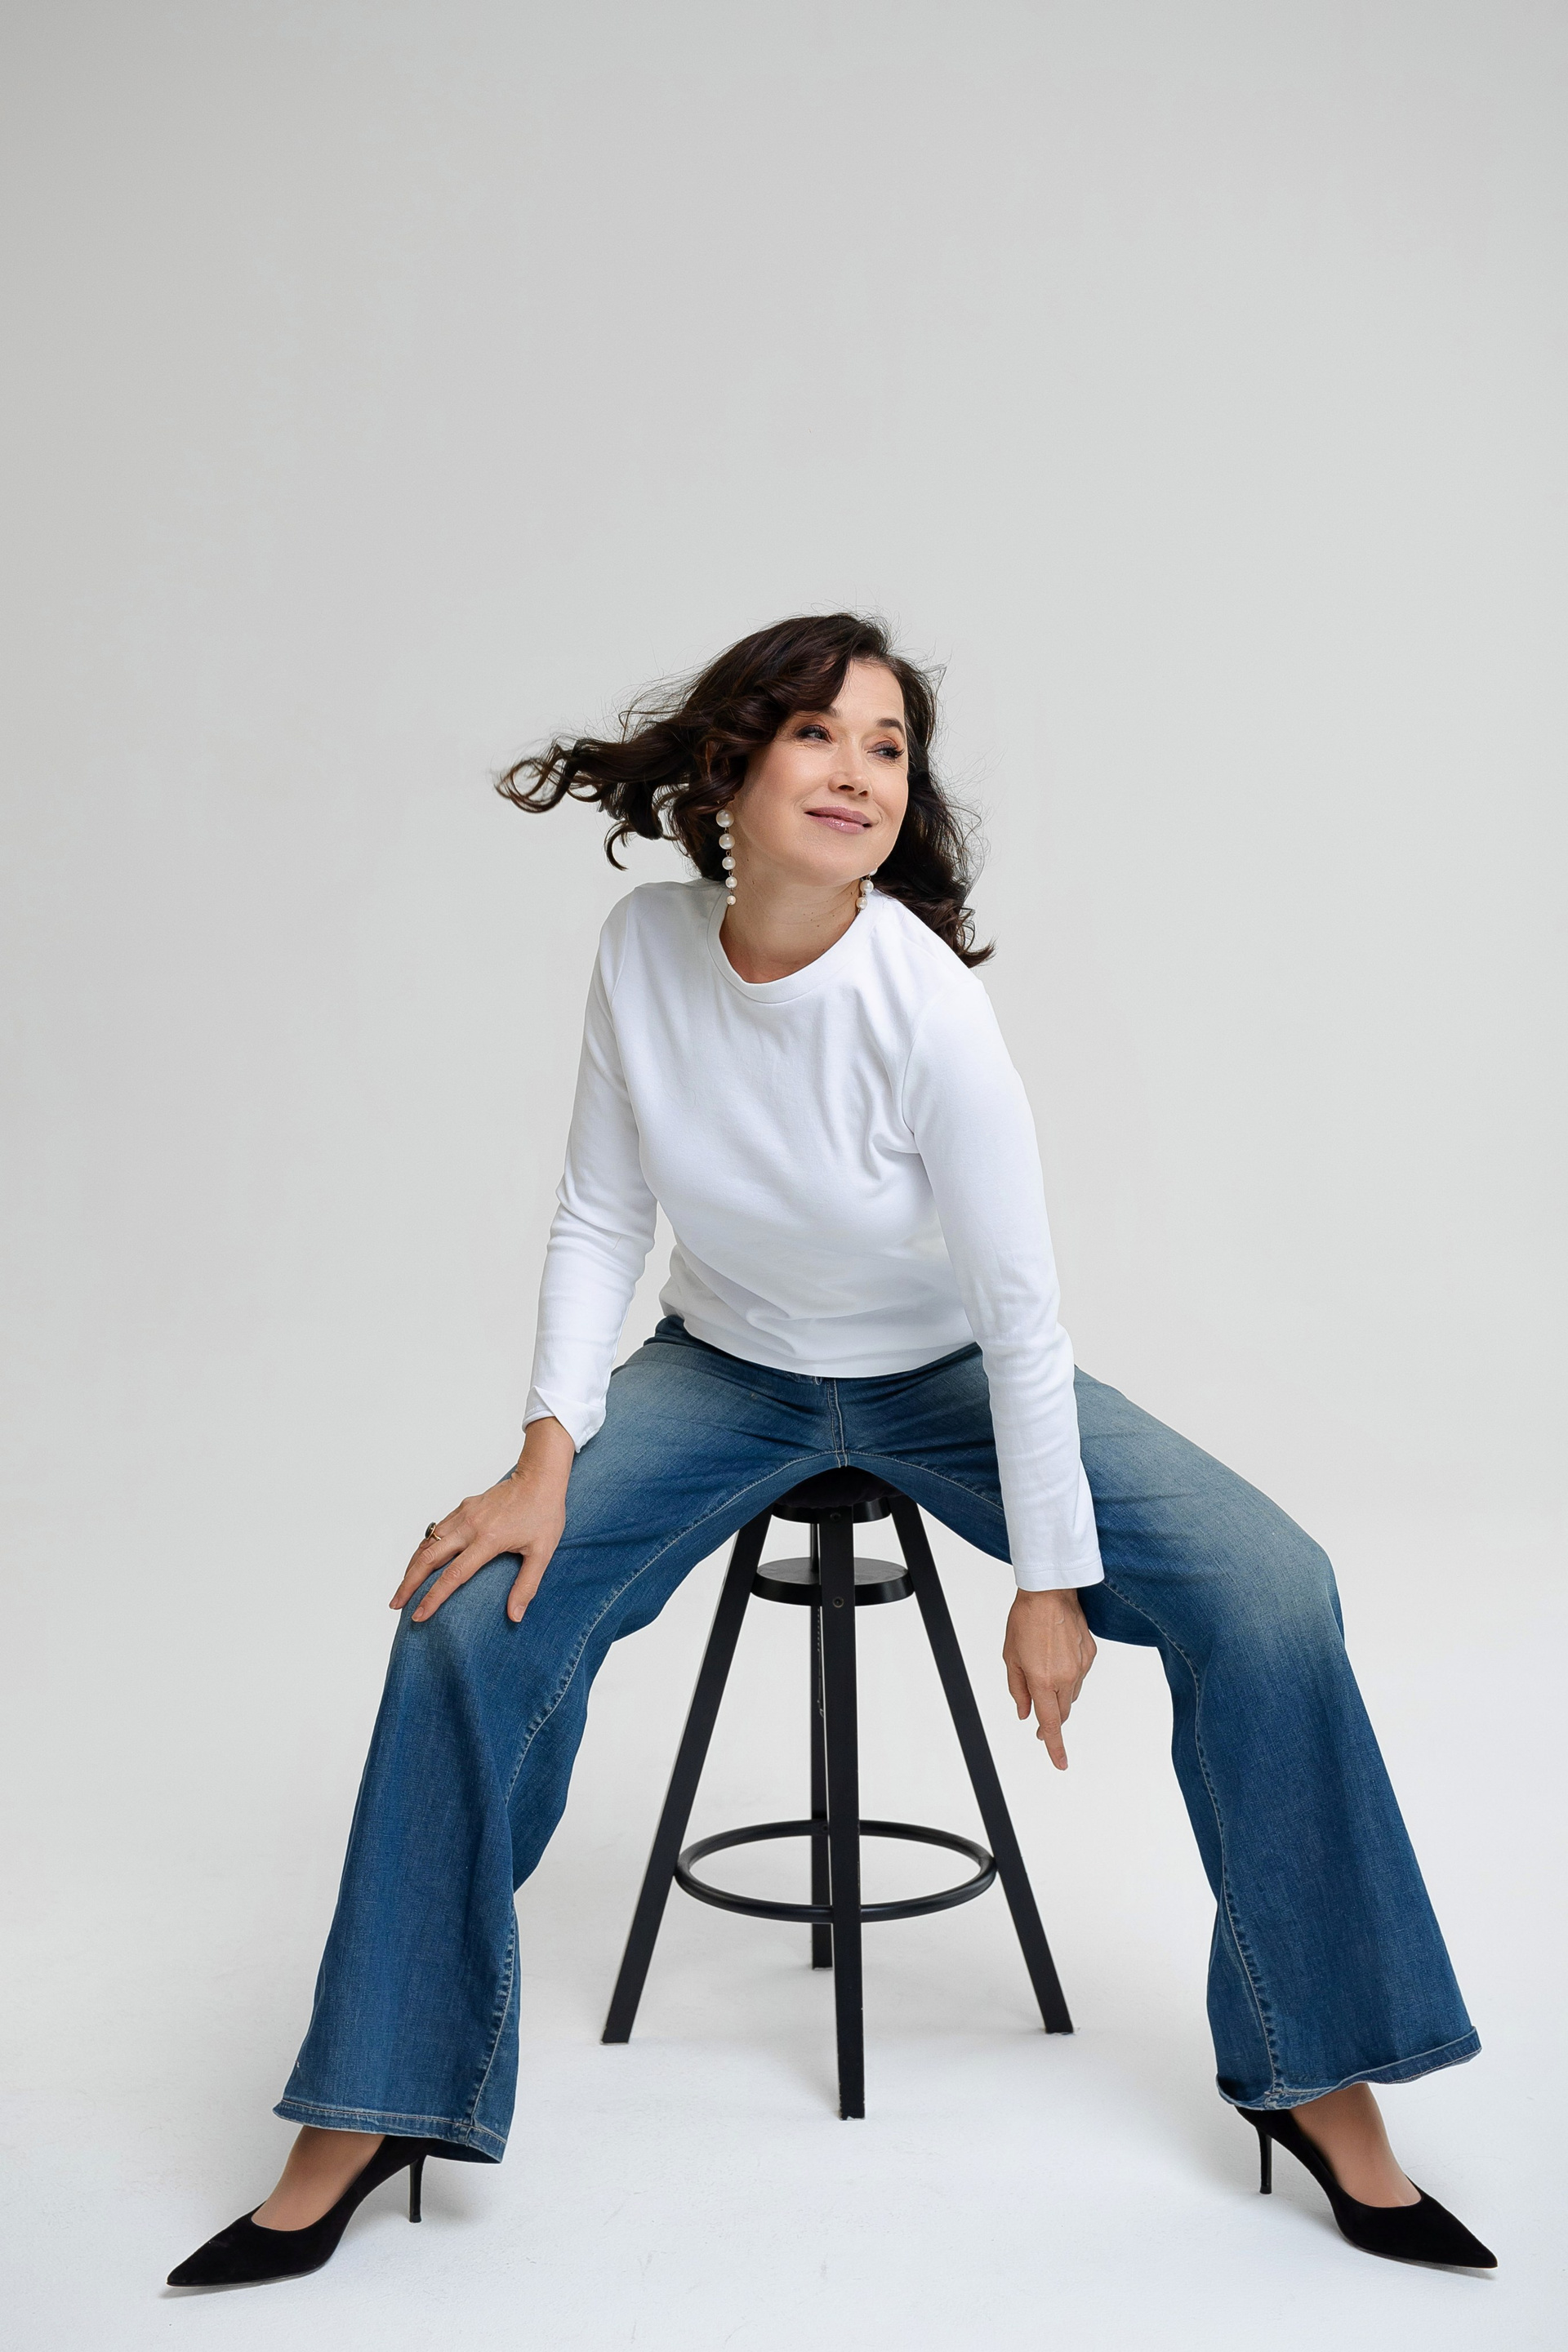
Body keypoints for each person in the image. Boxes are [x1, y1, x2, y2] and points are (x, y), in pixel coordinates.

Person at [168, 613, 1493, 2288]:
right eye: (821, 734)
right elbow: (599, 1213)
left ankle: (1322, 2081)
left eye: (889, 746)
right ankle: (370, 2104)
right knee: (461, 1614)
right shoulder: (644, 951)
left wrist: (1051, 1578)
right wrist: (544, 1454)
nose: (861, 771)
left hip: (944, 1379)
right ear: (732, 766)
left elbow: (1020, 1314)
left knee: (1275, 1592)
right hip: (724, 1373)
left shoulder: (923, 1004)